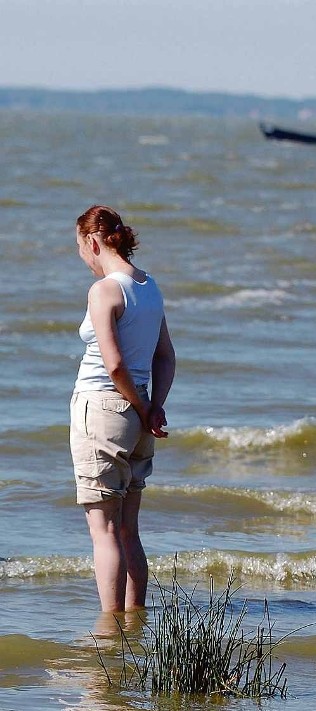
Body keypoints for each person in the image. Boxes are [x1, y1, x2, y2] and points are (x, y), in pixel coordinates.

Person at [70, 205, 176, 613]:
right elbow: (165, 356)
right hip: (139, 412)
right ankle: (135, 625)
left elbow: (113, 364)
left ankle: (111, 634)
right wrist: (152, 407)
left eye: (81, 248)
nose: (82, 256)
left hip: (102, 411)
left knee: (104, 530)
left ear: (93, 242)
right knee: (129, 529)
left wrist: (143, 404)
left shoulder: (104, 290)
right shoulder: (149, 286)